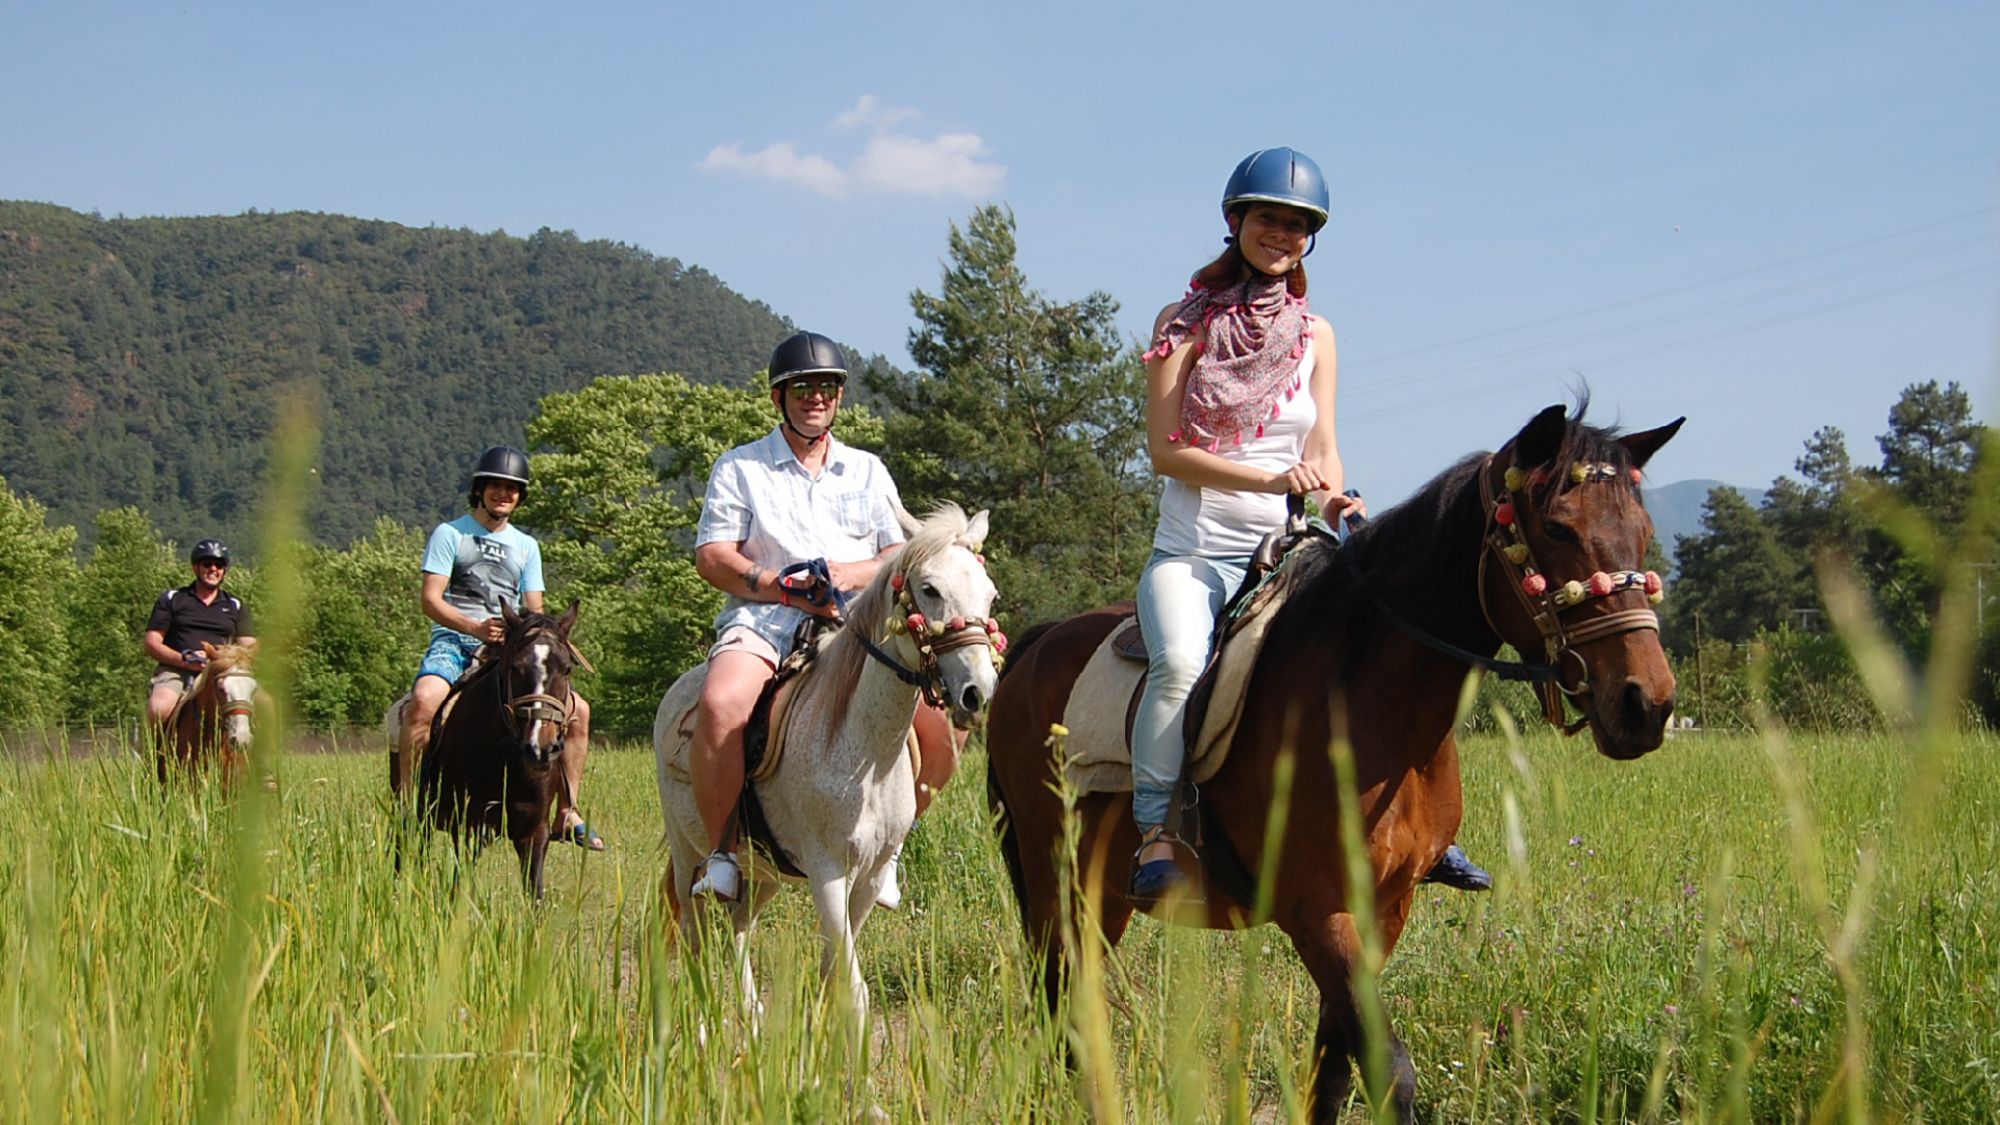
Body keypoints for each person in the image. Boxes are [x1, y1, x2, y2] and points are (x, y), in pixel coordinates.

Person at [1129, 147, 1490, 904]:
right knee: (1180, 665)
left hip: (1286, 550)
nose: (1282, 235)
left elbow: (1320, 448)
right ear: (1236, 222)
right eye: (1269, 218)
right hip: (1195, 553)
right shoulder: (1180, 325)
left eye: (1297, 226)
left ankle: (1425, 829)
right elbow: (1167, 451)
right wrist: (1268, 478)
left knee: (1381, 653)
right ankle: (1156, 827)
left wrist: (1334, 498)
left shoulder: (1315, 334)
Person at [687, 330, 962, 906]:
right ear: (779, 397)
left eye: (827, 388)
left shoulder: (868, 470)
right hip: (765, 621)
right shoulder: (741, 466)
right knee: (720, 704)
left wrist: (847, 573)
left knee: (943, 734)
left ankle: (889, 848)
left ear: (839, 397)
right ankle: (721, 853)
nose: (816, 397)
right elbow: (713, 556)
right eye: (803, 388)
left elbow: (900, 555)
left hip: (858, 628)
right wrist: (779, 585)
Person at [393, 446, 602, 850]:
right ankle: (407, 805)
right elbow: (430, 600)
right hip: (455, 640)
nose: (503, 494)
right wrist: (473, 625)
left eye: (512, 489)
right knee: (424, 699)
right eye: (496, 487)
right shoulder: (450, 534)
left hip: (512, 646)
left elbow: (535, 607)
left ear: (519, 497)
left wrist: (531, 634)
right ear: (480, 490)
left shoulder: (526, 546)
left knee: (579, 713)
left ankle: (567, 810)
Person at [144, 538, 257, 734]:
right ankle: (151, 758)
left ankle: (260, 761)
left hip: (223, 673)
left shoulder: (235, 605)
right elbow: (152, 642)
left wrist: (227, 659)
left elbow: (250, 644)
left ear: (224, 571)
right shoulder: (173, 599)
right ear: (196, 567)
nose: (213, 569)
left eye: (219, 565)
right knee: (159, 708)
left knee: (266, 707)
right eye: (207, 563)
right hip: (178, 670)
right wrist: (184, 660)